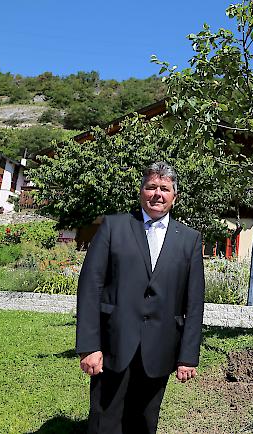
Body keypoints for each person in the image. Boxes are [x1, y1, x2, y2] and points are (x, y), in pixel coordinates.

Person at [76, 162, 205, 434]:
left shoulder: (190, 239)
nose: (157, 194)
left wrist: (188, 356)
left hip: (161, 346)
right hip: (113, 344)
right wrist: (89, 345)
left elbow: (194, 302)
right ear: (141, 191)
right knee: (104, 420)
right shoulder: (114, 226)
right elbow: (90, 286)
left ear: (174, 197)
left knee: (145, 422)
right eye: (151, 187)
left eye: (165, 189)